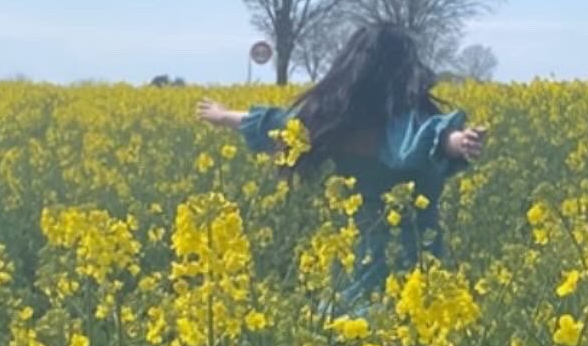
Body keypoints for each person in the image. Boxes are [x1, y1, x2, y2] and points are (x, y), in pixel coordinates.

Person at [199, 23, 486, 306]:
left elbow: (276, 124)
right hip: (412, 269)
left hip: (354, 265)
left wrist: (223, 116)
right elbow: (426, 138)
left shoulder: (330, 126)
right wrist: (459, 141)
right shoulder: (404, 127)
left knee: (348, 322)